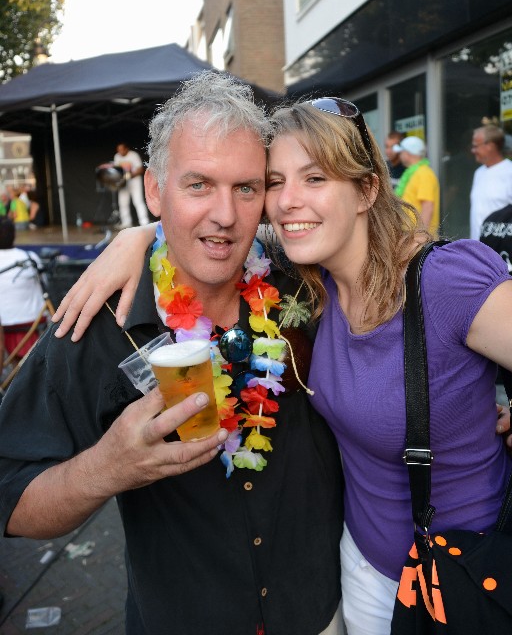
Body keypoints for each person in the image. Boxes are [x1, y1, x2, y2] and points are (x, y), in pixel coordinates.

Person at [54, 95, 512, 635]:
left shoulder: (442, 280)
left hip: (461, 577)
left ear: (367, 189)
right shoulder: (310, 284)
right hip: (362, 572)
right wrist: (136, 236)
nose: (288, 201)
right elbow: (210, 223)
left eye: (315, 178)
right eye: (274, 182)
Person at [0, 72, 344, 635]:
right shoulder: (96, 322)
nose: (226, 216)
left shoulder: (305, 286)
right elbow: (9, 498)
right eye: (199, 185)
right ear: (155, 190)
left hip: (322, 613)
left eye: (246, 188)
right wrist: (107, 468)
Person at [0, 217, 46, 368]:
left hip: (6, 327)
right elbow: (44, 283)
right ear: (14, 235)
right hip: (34, 322)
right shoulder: (29, 258)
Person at [469, 123, 512, 240]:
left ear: (491, 146)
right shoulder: (478, 172)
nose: (473, 150)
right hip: (477, 247)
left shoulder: (509, 171)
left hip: (500, 249)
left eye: (476, 146)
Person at [392, 135, 440, 235]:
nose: (400, 155)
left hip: (418, 239)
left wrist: (421, 236)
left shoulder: (424, 173)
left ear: (407, 154)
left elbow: (427, 207)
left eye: (401, 152)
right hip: (410, 235)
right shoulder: (413, 173)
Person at [113, 142, 150, 229]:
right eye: (118, 150)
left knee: (138, 201)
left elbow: (140, 169)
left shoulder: (133, 155)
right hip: (123, 182)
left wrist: (130, 175)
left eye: (122, 150)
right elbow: (116, 170)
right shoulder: (117, 156)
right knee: (123, 202)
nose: (120, 152)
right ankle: (126, 223)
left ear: (126, 149)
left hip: (134, 181)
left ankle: (144, 222)